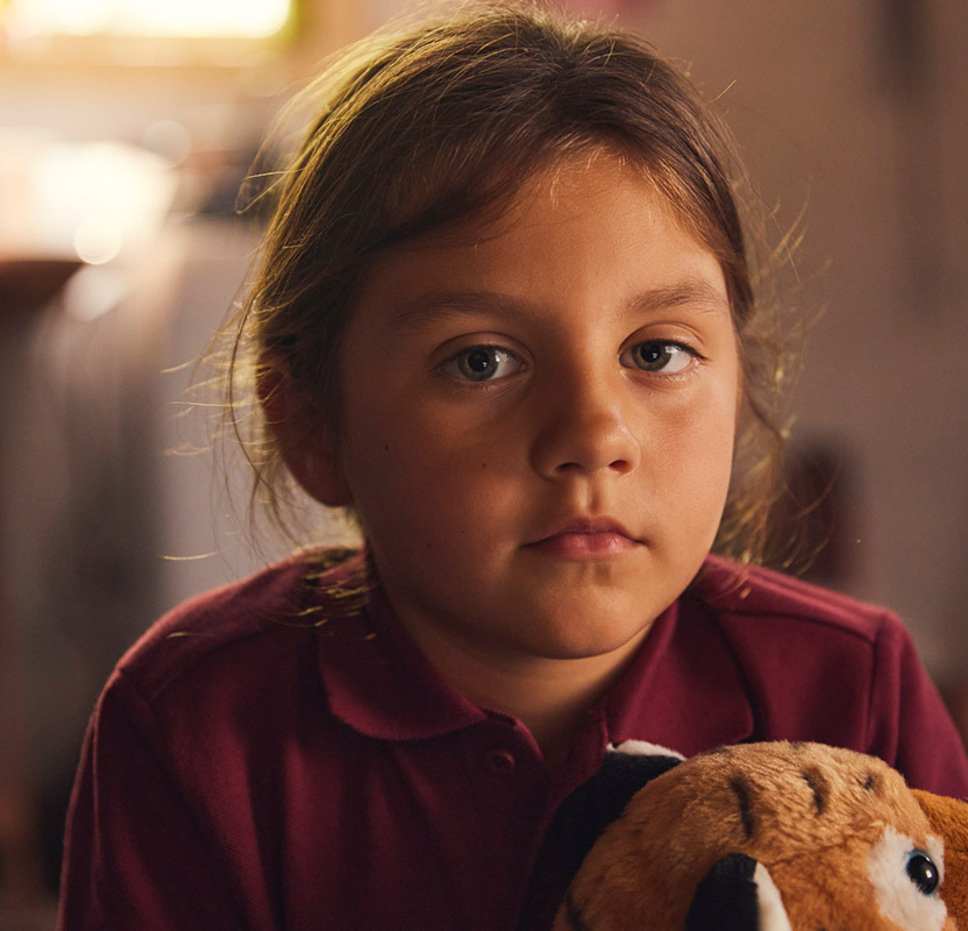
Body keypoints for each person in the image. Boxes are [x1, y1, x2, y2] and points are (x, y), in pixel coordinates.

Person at [57, 3, 968, 929]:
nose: (592, 433)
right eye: (481, 360)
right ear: (311, 424)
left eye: (656, 352)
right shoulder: (193, 727)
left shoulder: (855, 689)